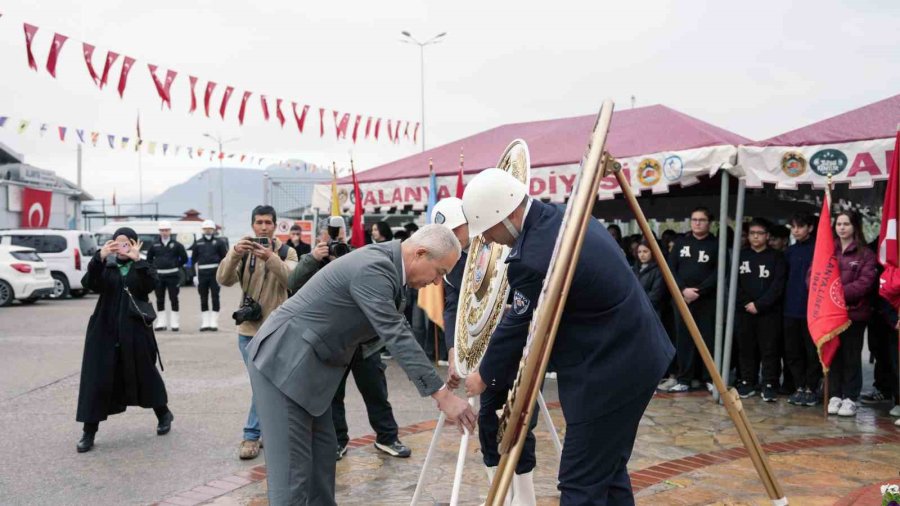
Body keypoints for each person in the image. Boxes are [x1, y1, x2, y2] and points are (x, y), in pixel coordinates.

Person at [462, 168, 674, 504]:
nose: (487, 239)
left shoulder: (533, 258)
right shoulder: (561, 214)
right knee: (607, 469)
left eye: (487, 230)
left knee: (580, 484)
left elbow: (516, 327)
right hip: (635, 353)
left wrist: (484, 376)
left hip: (609, 367)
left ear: (509, 214)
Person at [245, 225, 475, 505]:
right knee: (294, 476)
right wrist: (442, 394)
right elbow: (395, 332)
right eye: (439, 272)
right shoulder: (374, 268)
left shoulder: (387, 267)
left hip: (309, 369)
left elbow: (393, 328)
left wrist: (439, 376)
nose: (438, 282)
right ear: (420, 253)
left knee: (322, 459)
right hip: (284, 363)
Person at [433, 197, 539, 503]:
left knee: (519, 424)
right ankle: (499, 498)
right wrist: (454, 349)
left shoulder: (499, 242)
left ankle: (525, 500)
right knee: (490, 427)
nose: (453, 239)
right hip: (484, 356)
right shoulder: (451, 261)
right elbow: (454, 306)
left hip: (520, 347)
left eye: (457, 230)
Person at [287, 221, 411, 461]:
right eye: (331, 235)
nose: (336, 239)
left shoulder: (360, 254)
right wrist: (314, 258)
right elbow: (292, 284)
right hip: (333, 342)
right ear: (321, 235)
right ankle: (338, 441)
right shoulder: (312, 258)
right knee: (333, 396)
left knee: (376, 391)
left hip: (365, 342)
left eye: (340, 233)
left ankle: (387, 437)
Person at [75, 227, 173, 453]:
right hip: (104, 330)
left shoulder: (142, 266)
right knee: (97, 380)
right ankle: (89, 432)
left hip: (135, 331)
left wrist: (138, 261)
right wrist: (99, 258)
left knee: (145, 375)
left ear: (135, 244)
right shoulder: (105, 266)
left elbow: (151, 285)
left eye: (127, 242)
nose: (122, 246)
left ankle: (164, 413)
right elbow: (89, 283)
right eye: (117, 242)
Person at [216, 205, 298, 460]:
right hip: (249, 330)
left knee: (271, 384)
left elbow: (291, 280)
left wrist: (269, 257)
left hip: (278, 329)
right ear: (253, 225)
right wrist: (234, 254)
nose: (263, 227)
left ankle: (260, 434)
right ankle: (253, 435)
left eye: (268, 222)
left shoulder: (287, 251)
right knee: (262, 383)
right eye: (259, 222)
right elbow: (223, 279)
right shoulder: (244, 251)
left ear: (275, 225)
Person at [827, 210, 877, 417]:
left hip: (853, 314)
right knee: (833, 354)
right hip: (830, 314)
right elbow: (814, 276)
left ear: (855, 226)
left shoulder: (866, 254)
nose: (842, 228)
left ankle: (850, 397)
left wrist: (836, 295)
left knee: (851, 355)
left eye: (846, 224)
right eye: (839, 224)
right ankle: (835, 394)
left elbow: (864, 284)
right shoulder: (828, 250)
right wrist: (829, 298)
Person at [666, 207, 718, 393]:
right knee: (684, 339)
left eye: (701, 220)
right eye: (694, 219)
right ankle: (684, 379)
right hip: (682, 300)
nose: (697, 223)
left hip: (706, 300)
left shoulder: (716, 245)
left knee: (707, 339)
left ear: (709, 222)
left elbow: (719, 272)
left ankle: (709, 377)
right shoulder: (681, 243)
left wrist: (700, 291)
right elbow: (670, 268)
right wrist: (682, 290)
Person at [735, 219, 786, 402]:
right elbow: (733, 283)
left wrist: (760, 304)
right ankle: (748, 381)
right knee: (746, 348)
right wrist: (747, 302)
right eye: (752, 233)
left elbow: (778, 285)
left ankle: (769, 384)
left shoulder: (777, 257)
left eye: (759, 233)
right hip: (744, 311)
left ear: (767, 236)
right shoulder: (740, 256)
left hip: (769, 312)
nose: (755, 236)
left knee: (769, 349)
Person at [783, 213, 820, 407]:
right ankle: (798, 386)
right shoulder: (789, 252)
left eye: (800, 226)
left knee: (811, 351)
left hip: (811, 310)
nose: (796, 230)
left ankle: (811, 387)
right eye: (793, 227)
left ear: (810, 228)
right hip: (790, 308)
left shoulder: (818, 250)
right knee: (793, 351)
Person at [147, 221, 188, 332]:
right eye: (162, 230)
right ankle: (161, 322)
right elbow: (149, 259)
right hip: (159, 276)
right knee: (160, 299)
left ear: (170, 231)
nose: (164, 232)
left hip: (173, 275)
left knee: (173, 298)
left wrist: (176, 266)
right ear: (159, 232)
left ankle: (175, 323)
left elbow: (184, 258)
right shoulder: (154, 245)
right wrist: (153, 270)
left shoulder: (177, 245)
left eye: (166, 230)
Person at [192, 219, 228, 331]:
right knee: (203, 297)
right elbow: (193, 261)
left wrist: (223, 274)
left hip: (215, 274)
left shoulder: (219, 242)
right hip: (202, 274)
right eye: (206, 228)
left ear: (213, 230)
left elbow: (225, 259)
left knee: (215, 297)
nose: (208, 230)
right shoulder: (198, 243)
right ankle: (205, 322)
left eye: (210, 228)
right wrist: (194, 275)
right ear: (203, 230)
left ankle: (213, 322)